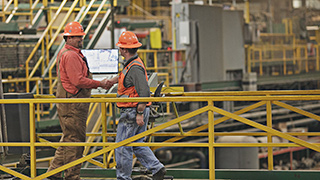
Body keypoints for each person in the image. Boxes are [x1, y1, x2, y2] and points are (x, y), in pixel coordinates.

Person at [47, 21, 109, 180]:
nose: (80, 39)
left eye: (80, 36)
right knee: (75, 141)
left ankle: (53, 173)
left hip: (71, 102)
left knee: (69, 137)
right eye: (76, 37)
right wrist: (100, 83)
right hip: (73, 104)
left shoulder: (68, 53)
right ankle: (72, 176)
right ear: (67, 38)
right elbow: (78, 81)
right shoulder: (70, 55)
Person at [107, 31, 166, 180]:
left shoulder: (134, 67)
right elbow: (125, 76)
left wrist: (139, 113)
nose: (120, 50)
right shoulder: (132, 63)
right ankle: (157, 168)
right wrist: (112, 81)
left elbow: (144, 91)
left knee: (122, 146)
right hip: (135, 110)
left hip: (133, 112)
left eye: (121, 47)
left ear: (125, 50)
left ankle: (123, 178)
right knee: (137, 143)